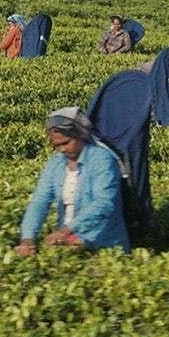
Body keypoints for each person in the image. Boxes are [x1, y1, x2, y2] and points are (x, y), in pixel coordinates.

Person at [15, 107, 131, 256]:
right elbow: (40, 201)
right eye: (56, 145)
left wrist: (67, 230)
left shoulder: (101, 160)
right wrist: (28, 238)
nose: (61, 150)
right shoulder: (55, 163)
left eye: (66, 143)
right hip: (69, 244)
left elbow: (103, 204)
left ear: (81, 136)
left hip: (104, 246)